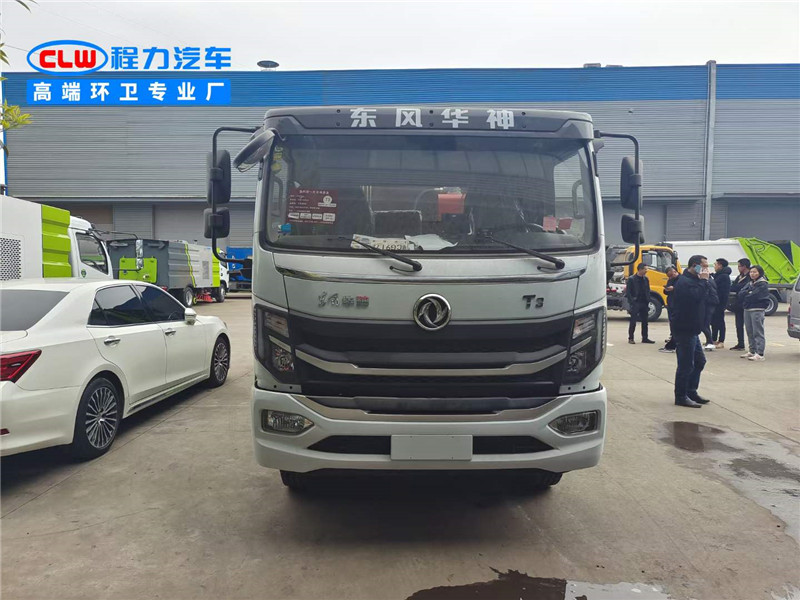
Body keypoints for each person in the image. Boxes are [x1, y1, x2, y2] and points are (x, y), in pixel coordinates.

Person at [670, 254, 712, 408]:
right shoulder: (684, 282)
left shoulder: (695, 280)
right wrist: (704, 281)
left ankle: (691, 391)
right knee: (686, 365)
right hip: (684, 328)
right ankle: (681, 396)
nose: (706, 269)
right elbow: (696, 297)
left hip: (693, 328)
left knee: (699, 361)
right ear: (695, 266)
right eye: (704, 266)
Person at [739, 264, 769, 361]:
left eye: (755, 272)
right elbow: (741, 293)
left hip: (757, 309)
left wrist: (748, 293)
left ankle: (760, 353)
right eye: (751, 272)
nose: (752, 274)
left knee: (757, 331)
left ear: (760, 273)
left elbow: (755, 296)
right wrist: (747, 292)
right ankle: (752, 350)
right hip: (747, 309)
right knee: (749, 331)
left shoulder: (762, 284)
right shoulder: (750, 283)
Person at [626, 263, 656, 344]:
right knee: (633, 321)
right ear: (640, 269)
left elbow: (648, 290)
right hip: (636, 302)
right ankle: (631, 338)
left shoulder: (646, 279)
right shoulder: (631, 279)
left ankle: (645, 338)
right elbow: (628, 292)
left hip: (644, 302)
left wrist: (648, 299)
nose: (646, 271)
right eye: (645, 269)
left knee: (645, 321)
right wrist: (632, 302)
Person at [729, 258, 752, 351]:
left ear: (744, 266)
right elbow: (733, 287)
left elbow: (744, 288)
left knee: (750, 326)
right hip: (738, 304)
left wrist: (738, 288)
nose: (738, 268)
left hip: (747, 304)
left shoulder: (750, 276)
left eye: (739, 266)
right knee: (738, 325)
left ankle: (752, 346)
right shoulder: (740, 276)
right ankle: (740, 343)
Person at [711, 258, 732, 348]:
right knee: (713, 321)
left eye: (715, 264)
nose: (714, 266)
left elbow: (721, 291)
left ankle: (721, 340)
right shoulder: (718, 275)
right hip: (715, 302)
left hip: (720, 302)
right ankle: (713, 339)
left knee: (720, 321)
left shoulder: (724, 276)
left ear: (720, 265)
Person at [659, 265, 680, 353]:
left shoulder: (681, 280)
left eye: (671, 275)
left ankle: (674, 342)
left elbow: (682, 290)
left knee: (676, 323)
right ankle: (672, 336)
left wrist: (674, 288)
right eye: (669, 276)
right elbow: (666, 291)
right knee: (671, 322)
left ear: (675, 271)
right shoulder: (670, 280)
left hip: (677, 304)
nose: (670, 278)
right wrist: (666, 290)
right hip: (670, 303)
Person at [701, 274, 719, 350]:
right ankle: (709, 341)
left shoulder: (707, 282)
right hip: (710, 304)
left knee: (704, 325)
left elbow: (706, 293)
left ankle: (710, 342)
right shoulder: (710, 280)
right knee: (705, 325)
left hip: (709, 304)